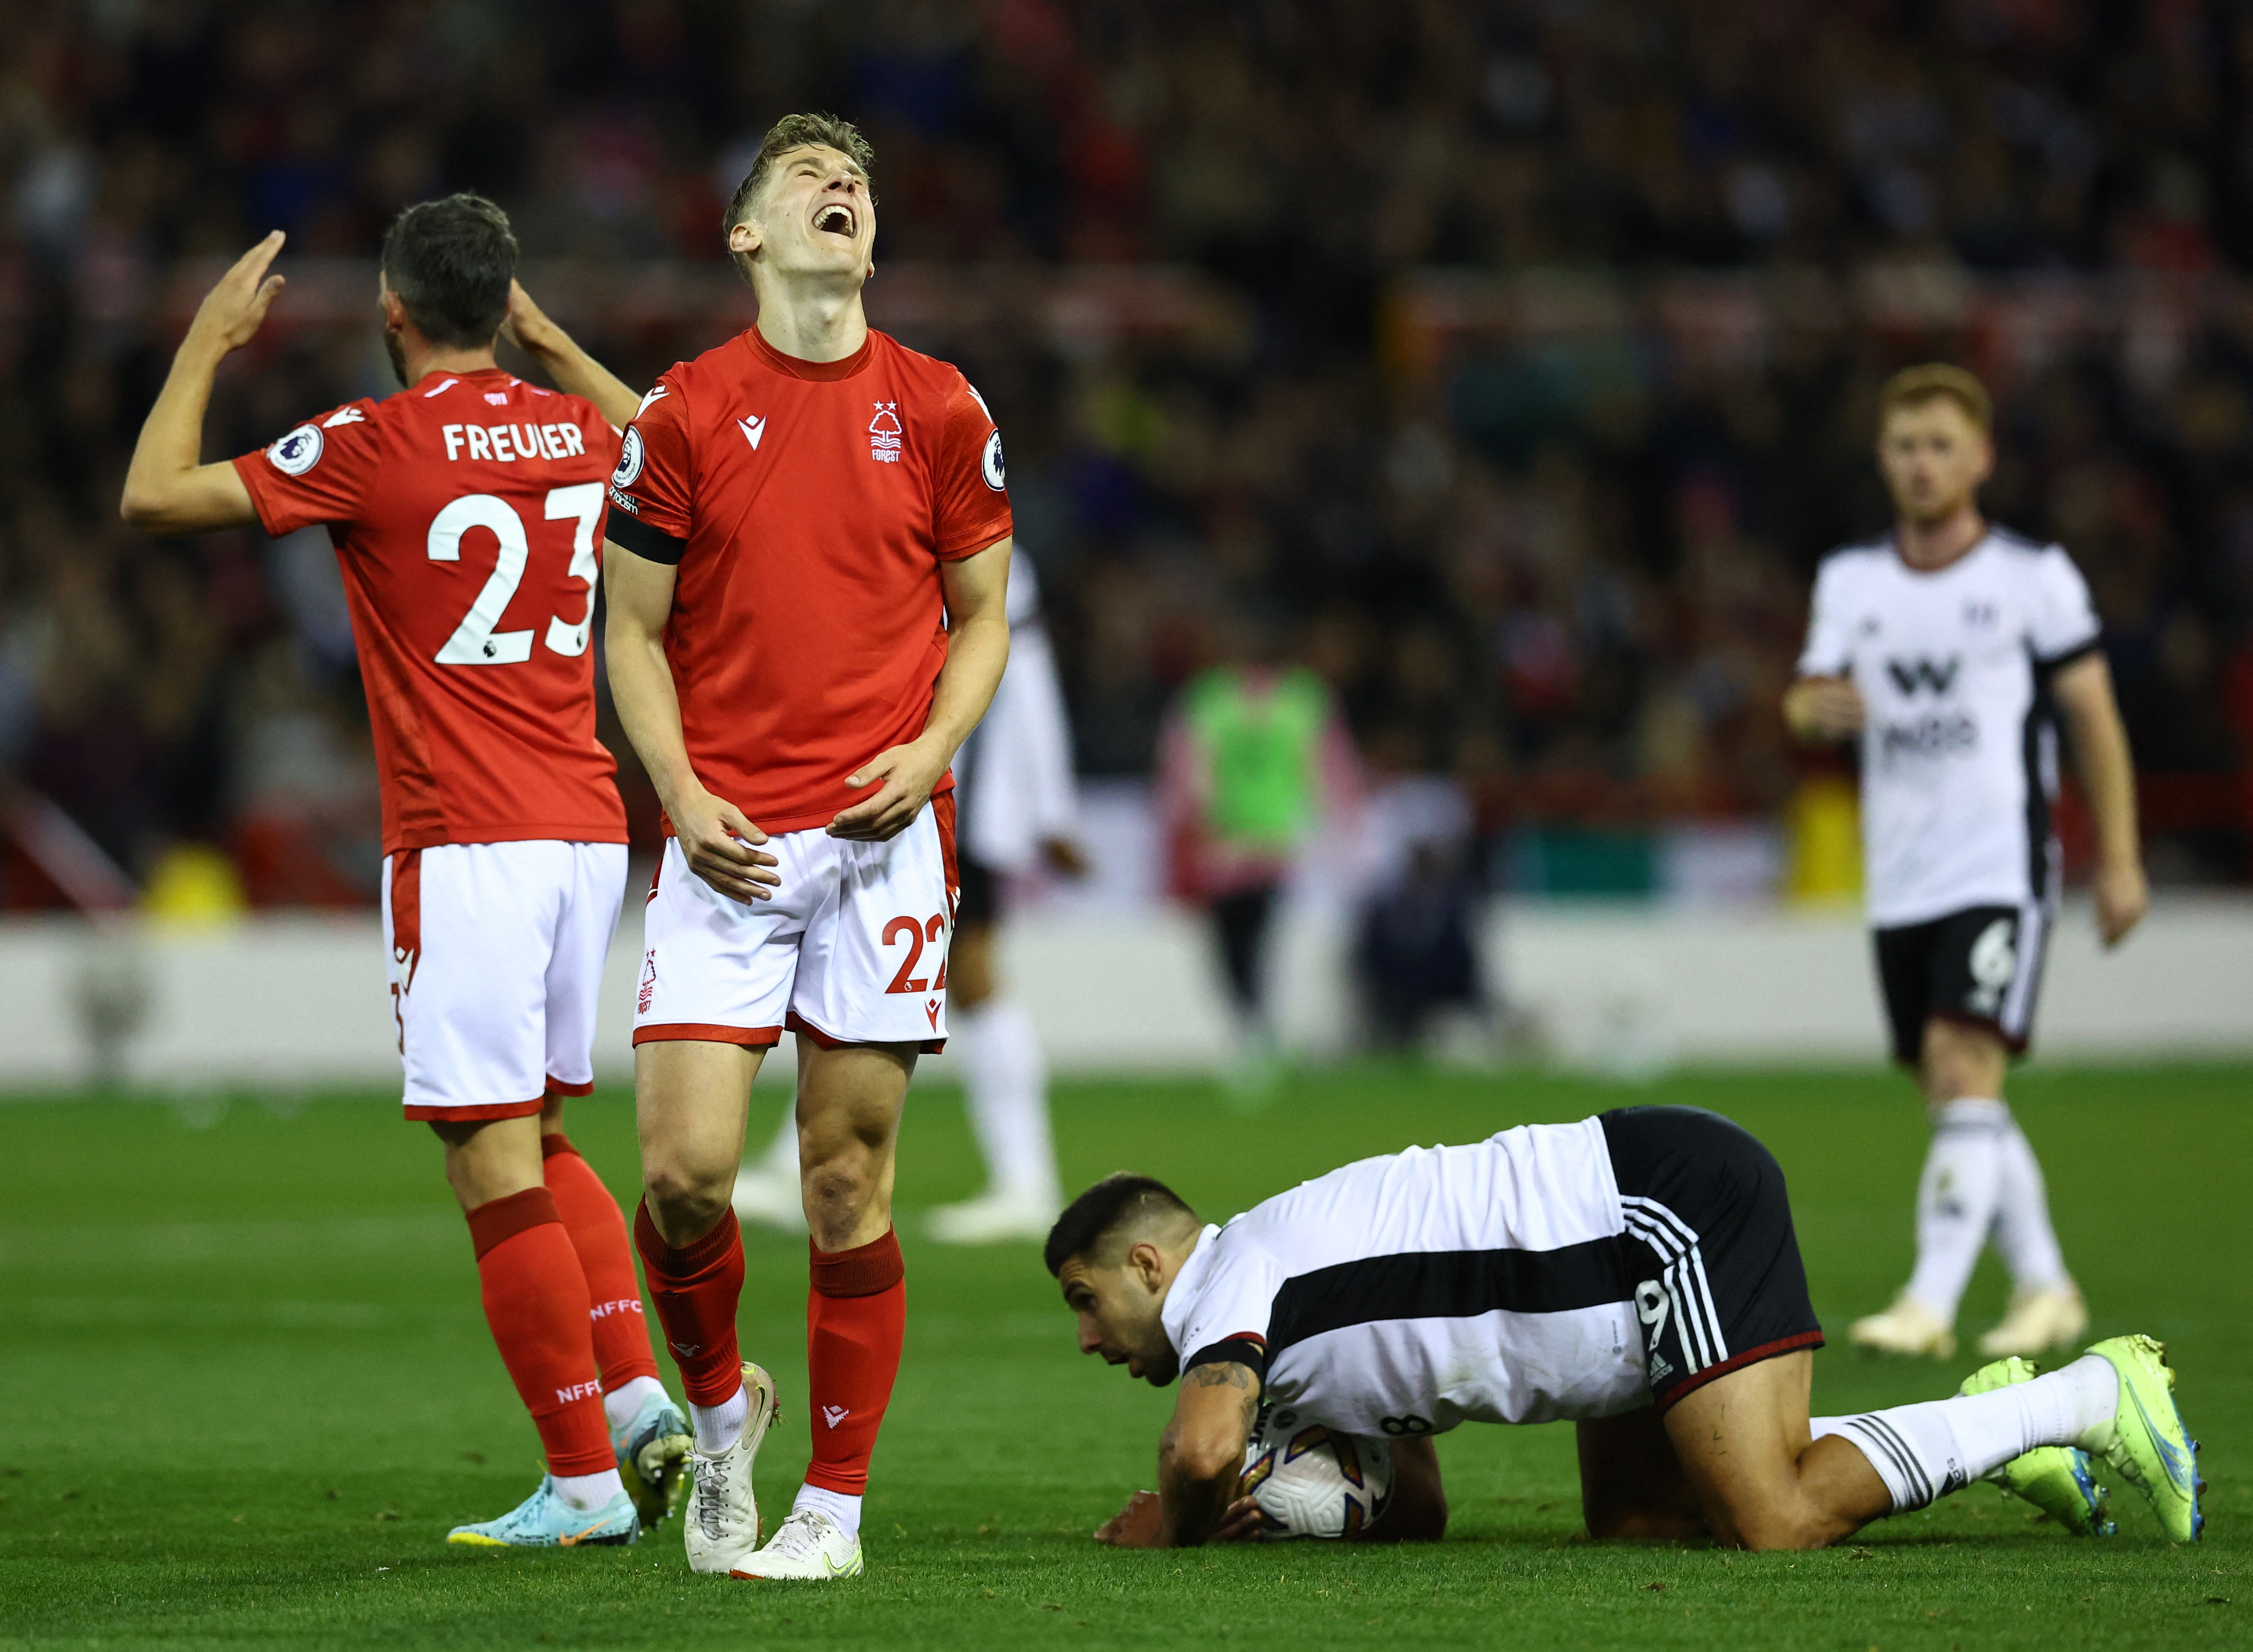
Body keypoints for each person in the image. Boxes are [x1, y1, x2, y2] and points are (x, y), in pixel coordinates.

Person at [118, 200, 691, 1547]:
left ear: (389, 312)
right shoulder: (574, 430)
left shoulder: (374, 444)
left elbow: (154, 493)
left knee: (486, 1162)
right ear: (505, 307)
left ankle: (582, 1486)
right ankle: (631, 1408)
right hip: (579, 833)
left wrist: (205, 341)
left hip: (467, 841)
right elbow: (690, 460)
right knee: (542, 1137)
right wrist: (550, 350)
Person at [600, 113, 1013, 1581]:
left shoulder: (942, 405)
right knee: (685, 1181)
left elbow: (982, 617)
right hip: (725, 842)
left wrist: (930, 754)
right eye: (807, 180)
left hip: (882, 838)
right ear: (745, 235)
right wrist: (675, 789)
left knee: (846, 1183)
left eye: (858, 183)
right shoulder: (683, 414)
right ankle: (722, 1420)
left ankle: (830, 1510)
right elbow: (630, 632)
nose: (843, 192)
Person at [1047, 1107, 2202, 1551]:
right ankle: (1991, 1425)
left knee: (1774, 1515)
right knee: (1645, 1525)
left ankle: (2087, 1397)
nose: (1089, 1341)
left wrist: (1182, 1525)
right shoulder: (1283, 1329)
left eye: (1085, 1300)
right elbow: (1425, 1507)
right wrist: (1315, 1507)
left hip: (1655, 1215)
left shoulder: (1231, 1279)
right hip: (1614, 1271)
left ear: (1148, 1263)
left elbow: (1195, 1452)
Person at [1784, 364, 2149, 1360]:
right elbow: (1806, 694)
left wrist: (2119, 857)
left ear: (1981, 457)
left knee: (1962, 1063)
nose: (1922, 463)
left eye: (1942, 444)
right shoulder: (1851, 581)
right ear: (1882, 459)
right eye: (1905, 446)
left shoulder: (2032, 578)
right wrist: (1807, 708)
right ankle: (2045, 1286)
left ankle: (1929, 1303)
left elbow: (2095, 720)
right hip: (1899, 873)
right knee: (1952, 1089)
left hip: (2000, 865)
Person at [731, 559, 1084, 1245]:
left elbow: (1009, 666)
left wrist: (1043, 805)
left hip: (955, 786)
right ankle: (792, 1160)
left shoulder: (953, 521)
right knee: (852, 961)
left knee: (973, 974)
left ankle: (1026, 1180)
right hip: (936, 777)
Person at [1156, 620, 1358, 1099]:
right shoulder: (1282, 700)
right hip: (1235, 843)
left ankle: (1253, 1035)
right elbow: (1330, 767)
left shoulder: (1230, 700)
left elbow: (1185, 767)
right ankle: (1253, 1031)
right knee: (1233, 947)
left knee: (1249, 946)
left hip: (1263, 843)